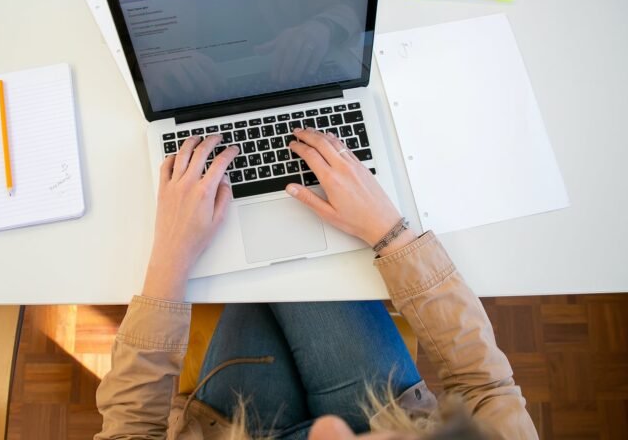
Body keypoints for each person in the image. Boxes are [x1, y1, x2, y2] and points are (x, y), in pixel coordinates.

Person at [95, 127, 538, 440]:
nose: (325, 431)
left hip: (229, 427)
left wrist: (171, 256)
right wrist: (390, 233)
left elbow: (130, 432)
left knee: (266, 277)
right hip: (385, 410)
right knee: (289, 271)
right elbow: (485, 385)